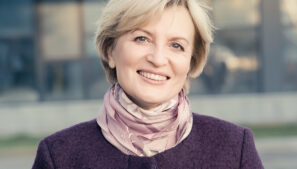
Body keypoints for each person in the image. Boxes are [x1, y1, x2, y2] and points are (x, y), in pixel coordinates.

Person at [32, 0, 264, 168]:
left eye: (176, 45)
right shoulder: (59, 155)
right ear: (111, 51)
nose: (158, 58)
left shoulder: (234, 148)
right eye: (141, 38)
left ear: (191, 62)